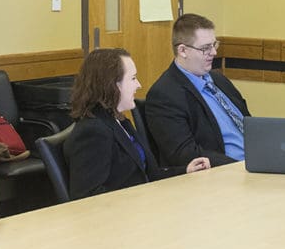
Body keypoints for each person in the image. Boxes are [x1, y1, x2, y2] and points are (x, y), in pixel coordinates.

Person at [63, 48, 211, 200]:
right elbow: (88, 198)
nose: (139, 85)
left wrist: (186, 170)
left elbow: (149, 175)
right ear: (113, 85)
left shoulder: (119, 121)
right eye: (133, 78)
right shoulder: (93, 132)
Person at [145, 14, 251, 167]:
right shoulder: (164, 95)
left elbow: (248, 124)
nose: (214, 52)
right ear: (183, 50)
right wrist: (237, 166)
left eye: (214, 45)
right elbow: (184, 153)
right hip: (222, 173)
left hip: (254, 164)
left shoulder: (220, 81)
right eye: (205, 48)